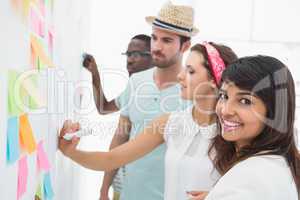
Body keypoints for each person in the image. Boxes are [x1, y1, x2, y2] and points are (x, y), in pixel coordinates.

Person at [58, 42, 238, 200]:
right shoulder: (169, 123)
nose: (180, 76)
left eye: (190, 71)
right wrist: (71, 152)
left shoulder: (234, 133)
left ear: (214, 81)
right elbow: (111, 159)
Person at [82, 2, 198, 200]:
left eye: (167, 40)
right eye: (154, 38)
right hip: (130, 194)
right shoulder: (136, 82)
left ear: (185, 46)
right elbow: (120, 138)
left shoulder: (193, 92)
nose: (157, 47)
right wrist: (103, 189)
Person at [203, 55, 299, 200]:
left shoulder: (248, 179)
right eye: (224, 96)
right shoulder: (280, 164)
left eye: (244, 101)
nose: (225, 111)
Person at [83, 34, 153, 200]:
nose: (129, 60)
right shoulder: (133, 88)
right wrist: (95, 73)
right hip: (122, 186)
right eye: (128, 55)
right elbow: (104, 108)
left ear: (154, 58)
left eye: (136, 54)